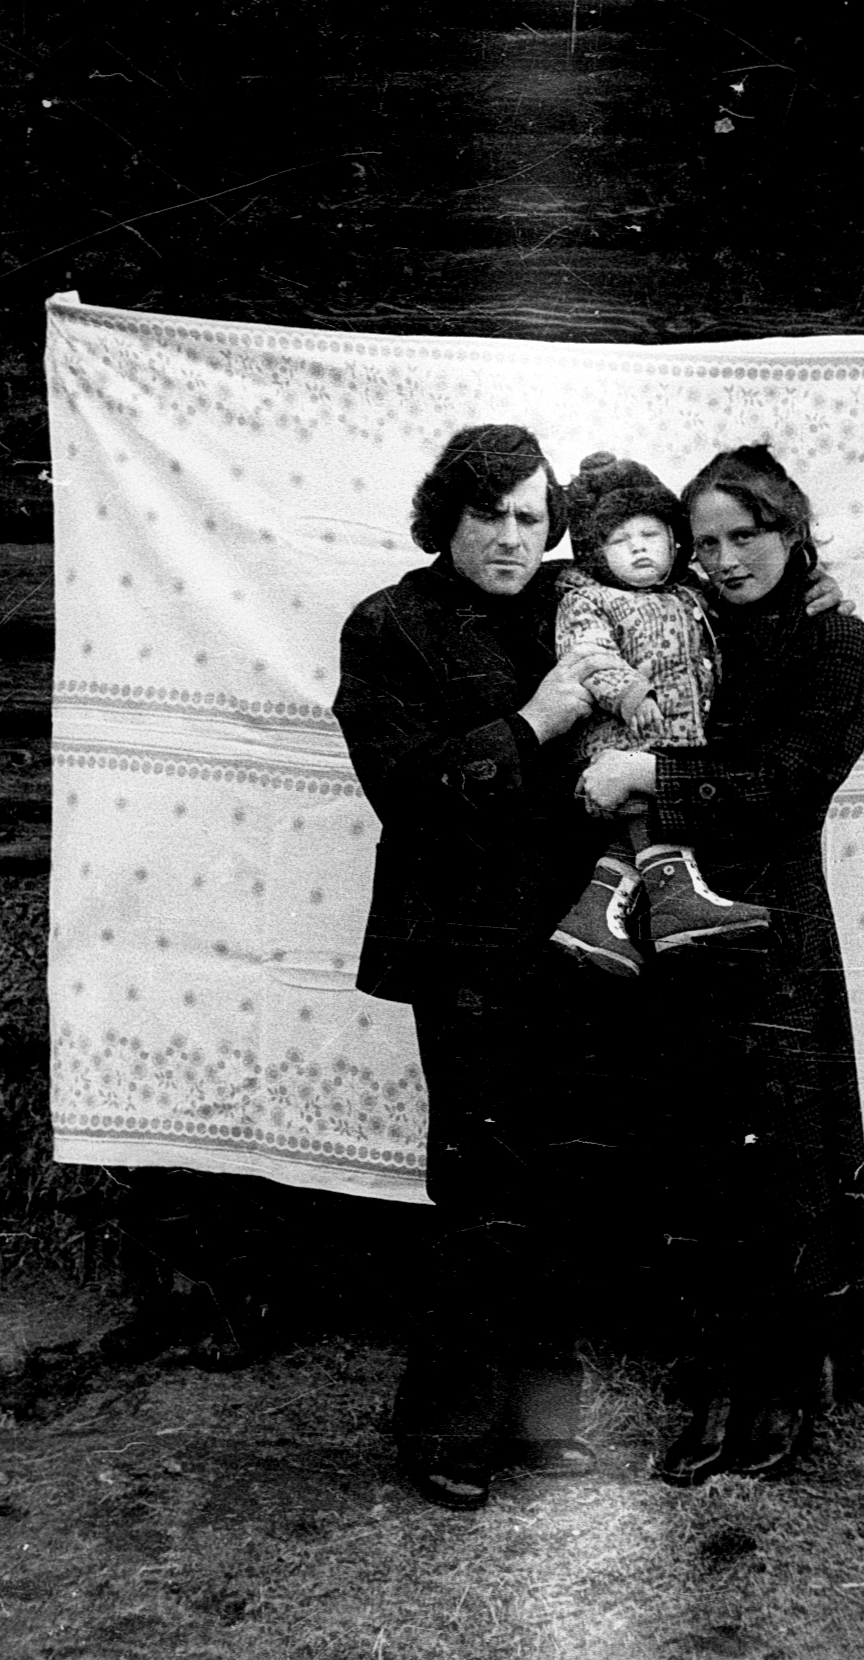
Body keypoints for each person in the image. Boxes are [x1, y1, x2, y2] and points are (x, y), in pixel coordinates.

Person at [331, 423, 624, 1510]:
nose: (510, 537)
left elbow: (688, 589)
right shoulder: (389, 625)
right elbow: (405, 794)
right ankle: (448, 1425)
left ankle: (540, 1420)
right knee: (480, 1180)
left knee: (567, 1175)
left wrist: (812, 591)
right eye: (487, 514)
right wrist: (534, 723)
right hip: (463, 945)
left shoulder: (577, 604)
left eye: (529, 517)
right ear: (443, 518)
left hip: (580, 938)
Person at [577, 443, 864, 1485]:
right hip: (679, 931)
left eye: (743, 536)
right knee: (697, 1165)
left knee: (782, 1170)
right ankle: (709, 1384)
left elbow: (792, 778)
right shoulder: (687, 622)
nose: (722, 559)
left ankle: (782, 1386)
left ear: (789, 531)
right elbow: (592, 583)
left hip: (777, 937)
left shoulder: (836, 641)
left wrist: (653, 774)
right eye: (703, 542)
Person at [547, 452, 771, 976]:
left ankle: (591, 920)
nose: (638, 548)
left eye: (650, 535)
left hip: (680, 740)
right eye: (619, 540)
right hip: (622, 739)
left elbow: (748, 600)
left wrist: (813, 580)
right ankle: (678, 905)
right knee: (650, 815)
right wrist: (628, 693)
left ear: (674, 543)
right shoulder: (588, 598)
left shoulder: (691, 594)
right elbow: (589, 655)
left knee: (636, 832)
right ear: (596, 553)